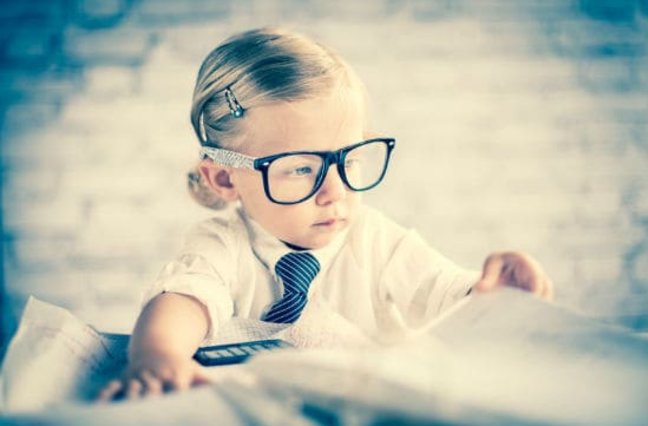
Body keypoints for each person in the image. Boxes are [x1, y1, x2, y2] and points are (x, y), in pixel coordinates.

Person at [98, 27, 553, 401]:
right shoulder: (223, 245)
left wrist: (494, 295)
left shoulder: (377, 241)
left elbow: (447, 294)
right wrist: (158, 356)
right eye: (300, 168)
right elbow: (183, 302)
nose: (334, 192)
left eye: (349, 160)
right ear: (225, 179)